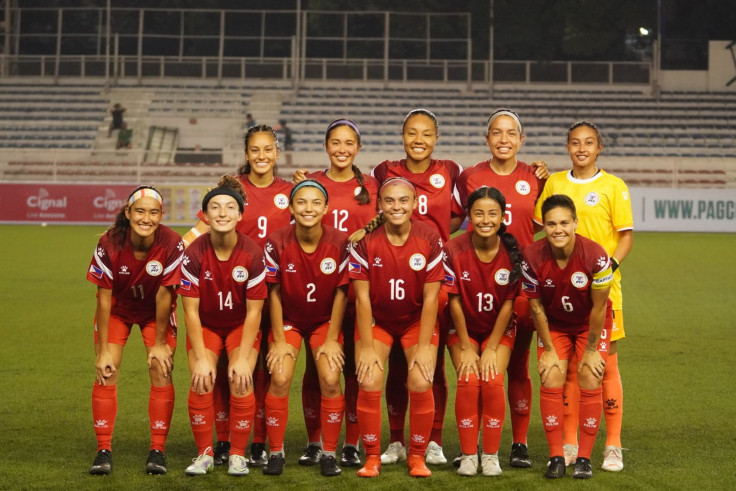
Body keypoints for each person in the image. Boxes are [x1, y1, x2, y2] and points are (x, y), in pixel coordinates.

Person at [182, 125, 292, 469]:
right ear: (246, 154)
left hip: (272, 294)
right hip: (227, 290)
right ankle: (224, 441)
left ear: (277, 153)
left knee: (261, 371)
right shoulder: (229, 192)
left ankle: (258, 442)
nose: (261, 156)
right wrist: (168, 254)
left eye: (267, 149)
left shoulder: (290, 191)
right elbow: (195, 234)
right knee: (224, 375)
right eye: (254, 150)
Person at [533, 121, 633, 472]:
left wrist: (606, 272)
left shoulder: (613, 186)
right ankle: (571, 442)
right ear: (567, 147)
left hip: (603, 292)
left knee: (604, 366)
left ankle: (613, 444)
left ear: (599, 148)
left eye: (589, 143)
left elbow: (625, 237)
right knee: (569, 369)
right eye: (575, 143)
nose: (581, 148)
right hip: (560, 292)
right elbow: (539, 228)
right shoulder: (555, 183)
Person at [451, 108, 547, 468]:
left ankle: (519, 443)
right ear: (487, 138)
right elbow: (457, 221)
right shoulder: (470, 176)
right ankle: (471, 442)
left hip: (520, 286)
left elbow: (540, 228)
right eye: (497, 132)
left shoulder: (535, 177)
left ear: (521, 140)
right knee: (476, 371)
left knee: (517, 367)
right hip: (476, 284)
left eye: (511, 133)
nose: (504, 139)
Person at [368, 108, 462, 466]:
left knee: (431, 364)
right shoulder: (384, 170)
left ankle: (433, 440)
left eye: (426, 134)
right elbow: (369, 205)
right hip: (390, 272)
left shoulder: (450, 171)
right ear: (402, 136)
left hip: (431, 275)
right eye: (412, 133)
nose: (418, 140)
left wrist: (436, 238)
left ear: (436, 139)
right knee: (394, 364)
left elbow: (462, 213)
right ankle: (395, 441)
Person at [292, 119, 380, 468]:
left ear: (358, 148)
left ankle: (352, 442)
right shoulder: (311, 184)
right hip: (321, 289)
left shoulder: (373, 186)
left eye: (349, 143)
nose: (342, 149)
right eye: (335, 143)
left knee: (355, 370)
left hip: (360, 287)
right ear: (326, 146)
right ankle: (315, 441)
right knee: (317, 370)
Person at [350, 177, 444, 478]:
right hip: (376, 321)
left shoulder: (429, 238)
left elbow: (431, 299)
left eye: (404, 200)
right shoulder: (366, 241)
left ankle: (417, 457)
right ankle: (373, 457)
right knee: (369, 379)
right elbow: (362, 299)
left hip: (416, 321)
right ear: (379, 205)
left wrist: (427, 347)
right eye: (389, 201)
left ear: (414, 204)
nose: (397, 206)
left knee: (420, 379)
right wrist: (365, 346)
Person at [86, 185, 183, 476]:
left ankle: (158, 450)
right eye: (140, 211)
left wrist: (161, 343)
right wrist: (103, 350)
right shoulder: (110, 241)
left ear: (162, 215)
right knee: (107, 370)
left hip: (157, 313)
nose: (146, 218)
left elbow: (166, 295)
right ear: (128, 213)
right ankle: (103, 449)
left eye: (154, 213)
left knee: (160, 368)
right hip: (117, 311)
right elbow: (104, 297)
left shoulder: (172, 242)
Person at [261, 180, 350, 477]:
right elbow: (272, 292)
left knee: (329, 376)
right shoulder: (276, 241)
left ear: (326, 208)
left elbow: (341, 293)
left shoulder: (340, 242)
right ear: (291, 207)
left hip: (325, 320)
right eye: (301, 202)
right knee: (281, 375)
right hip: (288, 320)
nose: (308, 208)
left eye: (315, 203)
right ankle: (276, 452)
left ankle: (328, 453)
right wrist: (278, 340)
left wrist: (332, 339)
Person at [522, 194, 613, 480]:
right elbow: (535, 307)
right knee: (550, 375)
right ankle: (556, 457)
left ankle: (584, 458)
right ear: (544, 226)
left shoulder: (596, 255)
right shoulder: (531, 256)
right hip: (554, 324)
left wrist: (591, 349)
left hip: (590, 324)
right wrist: (548, 348)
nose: (558, 229)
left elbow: (599, 307)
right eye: (551, 224)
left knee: (590, 376)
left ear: (575, 223)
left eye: (564, 223)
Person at [180, 177, 267, 477]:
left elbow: (255, 311)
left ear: (240, 214)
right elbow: (189, 310)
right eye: (214, 207)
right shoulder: (193, 254)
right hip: (205, 325)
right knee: (201, 379)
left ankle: (238, 455)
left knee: (241, 379)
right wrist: (202, 357)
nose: (222, 212)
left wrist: (242, 357)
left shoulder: (254, 253)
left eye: (230, 207)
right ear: (205, 215)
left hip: (240, 326)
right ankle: (204, 453)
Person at [444, 187, 522, 477]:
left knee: (490, 380)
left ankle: (489, 455)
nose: (485, 219)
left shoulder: (513, 253)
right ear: (468, 216)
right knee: (468, 379)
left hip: (497, 331)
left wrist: (490, 347)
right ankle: (467, 455)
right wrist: (465, 346)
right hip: (462, 328)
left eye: (492, 213)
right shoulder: (453, 249)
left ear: (502, 216)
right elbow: (453, 300)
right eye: (478, 213)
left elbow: (508, 304)